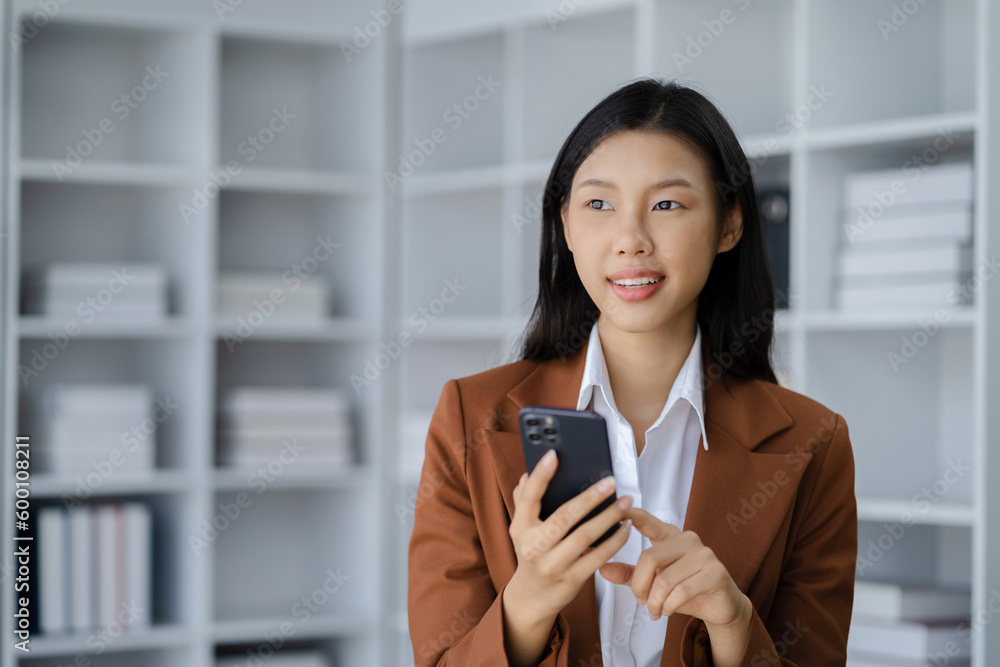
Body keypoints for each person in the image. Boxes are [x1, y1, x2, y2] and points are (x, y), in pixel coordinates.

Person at [407, 77, 857, 667]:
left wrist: (733, 625)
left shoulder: (813, 443)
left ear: (730, 224)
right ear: (565, 224)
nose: (630, 240)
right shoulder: (470, 417)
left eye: (667, 204)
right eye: (599, 204)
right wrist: (530, 600)